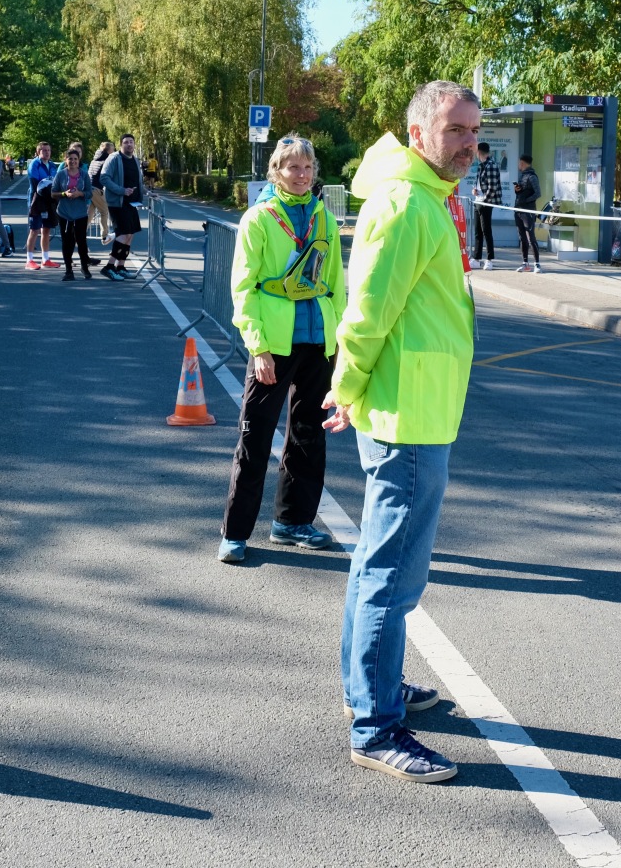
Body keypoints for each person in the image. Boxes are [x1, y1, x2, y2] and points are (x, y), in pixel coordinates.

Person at [323, 80, 480, 784]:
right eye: (454, 130)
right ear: (417, 134)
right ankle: (375, 725)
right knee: (392, 576)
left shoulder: (425, 196)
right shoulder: (406, 203)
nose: (469, 144)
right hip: (407, 415)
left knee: (378, 566)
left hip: (418, 407)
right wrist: (347, 386)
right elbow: (366, 310)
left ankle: (372, 690)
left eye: (474, 131)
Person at [217, 136, 347, 564]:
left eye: (308, 168)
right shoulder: (259, 218)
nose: (302, 175)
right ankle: (235, 532)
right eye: (293, 167)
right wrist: (258, 347)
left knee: (309, 435)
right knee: (254, 436)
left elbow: (336, 282)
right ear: (276, 171)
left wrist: (339, 341)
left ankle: (292, 522)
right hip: (273, 343)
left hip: (318, 341)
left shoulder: (324, 217)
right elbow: (243, 288)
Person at [99, 133, 144, 279]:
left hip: (132, 203)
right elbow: (104, 178)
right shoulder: (114, 158)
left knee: (130, 234)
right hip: (117, 203)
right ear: (120, 145)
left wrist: (147, 192)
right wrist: (122, 190)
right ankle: (109, 267)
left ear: (134, 144)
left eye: (131, 142)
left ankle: (120, 267)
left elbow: (138, 182)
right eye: (126, 142)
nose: (129, 144)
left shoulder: (135, 160)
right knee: (123, 234)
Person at [52, 145, 95, 280]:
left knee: (81, 241)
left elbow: (89, 193)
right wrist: (64, 194)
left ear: (78, 160)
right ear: (66, 160)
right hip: (64, 213)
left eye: (75, 159)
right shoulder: (61, 174)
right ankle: (68, 270)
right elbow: (53, 193)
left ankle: (84, 267)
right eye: (70, 159)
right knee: (67, 242)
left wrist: (79, 193)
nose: (73, 161)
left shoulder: (84, 174)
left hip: (80, 213)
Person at [25, 141, 58, 269]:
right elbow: (36, 184)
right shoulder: (34, 164)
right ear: (38, 152)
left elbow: (55, 181)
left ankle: (45, 259)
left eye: (48, 150)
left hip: (49, 200)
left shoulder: (52, 165)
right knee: (34, 230)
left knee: (46, 229)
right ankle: (29, 260)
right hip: (37, 200)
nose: (47, 152)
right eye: (44, 150)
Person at [469, 140, 500, 269]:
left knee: (486, 230)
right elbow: (480, 183)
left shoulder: (491, 165)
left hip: (485, 202)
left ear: (479, 152)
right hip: (478, 201)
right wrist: (475, 190)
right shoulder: (481, 165)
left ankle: (489, 259)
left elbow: (492, 187)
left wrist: (485, 201)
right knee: (478, 231)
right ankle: (476, 258)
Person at [512, 153, 542, 273]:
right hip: (518, 209)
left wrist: (526, 200)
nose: (518, 165)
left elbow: (538, 193)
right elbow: (522, 192)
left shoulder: (532, 176)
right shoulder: (522, 176)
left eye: (519, 163)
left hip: (528, 211)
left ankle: (537, 264)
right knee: (522, 237)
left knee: (531, 237)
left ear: (522, 163)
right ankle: (525, 263)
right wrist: (517, 190)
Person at [88, 141, 114, 246]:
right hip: (97, 189)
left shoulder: (94, 160)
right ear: (108, 151)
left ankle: (78, 234)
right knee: (104, 211)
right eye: (113, 149)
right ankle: (104, 236)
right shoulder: (106, 161)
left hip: (89, 188)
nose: (114, 151)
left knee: (90, 214)